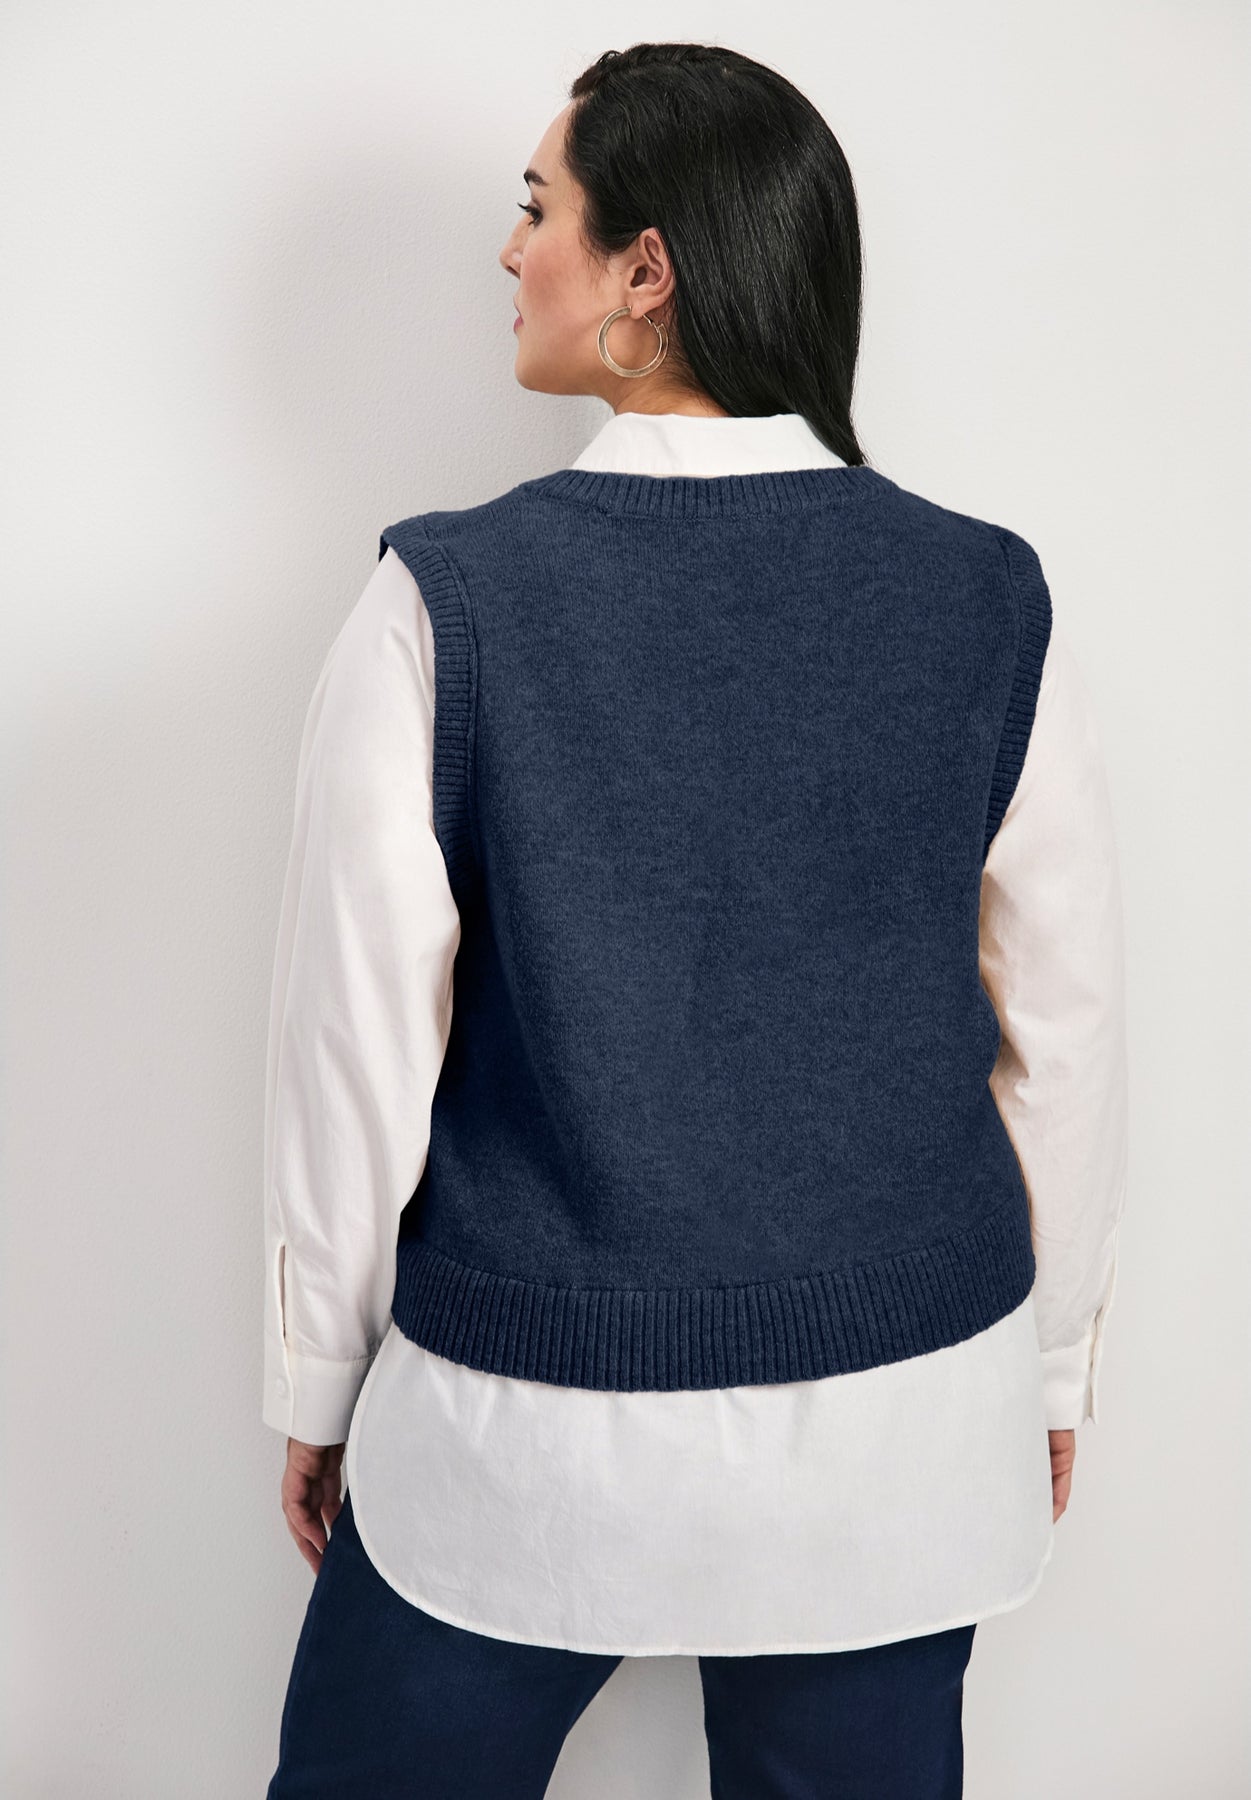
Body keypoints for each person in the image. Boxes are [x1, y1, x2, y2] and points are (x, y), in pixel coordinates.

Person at [261, 42, 1127, 1800]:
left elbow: (356, 1042)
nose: (512, 251)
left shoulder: (446, 601)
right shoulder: (985, 596)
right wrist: (1047, 1369)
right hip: (904, 1418)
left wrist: (320, 1376)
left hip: (525, 1422)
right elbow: (1066, 1023)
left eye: (539, 209)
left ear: (645, 271)